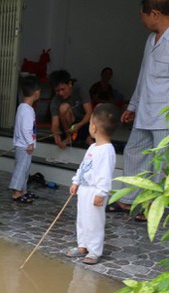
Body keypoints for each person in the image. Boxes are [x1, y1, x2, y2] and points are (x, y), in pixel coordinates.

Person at [108, 0, 169, 221]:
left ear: (154, 14)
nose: (141, 20)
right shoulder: (151, 39)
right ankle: (129, 200)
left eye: (142, 15)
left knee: (161, 163)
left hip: (165, 117)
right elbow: (143, 76)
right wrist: (132, 106)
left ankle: (153, 207)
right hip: (144, 112)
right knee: (134, 151)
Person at [65, 103, 120, 265]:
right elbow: (83, 167)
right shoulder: (93, 147)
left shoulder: (107, 150)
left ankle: (94, 251)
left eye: (89, 124)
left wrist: (101, 193)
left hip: (95, 192)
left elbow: (105, 174)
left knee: (94, 222)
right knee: (82, 219)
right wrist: (76, 181)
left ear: (94, 128)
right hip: (84, 190)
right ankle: (83, 245)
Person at [9, 76, 41, 203]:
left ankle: (23, 190)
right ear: (36, 92)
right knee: (22, 169)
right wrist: (30, 143)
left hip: (21, 145)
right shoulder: (28, 110)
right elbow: (25, 129)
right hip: (24, 146)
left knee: (25, 169)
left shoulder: (21, 107)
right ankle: (17, 192)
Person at [50, 70, 93, 149]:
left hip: (83, 125)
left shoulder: (80, 90)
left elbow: (89, 113)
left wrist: (79, 125)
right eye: (57, 91)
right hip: (69, 129)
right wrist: (56, 134)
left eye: (63, 89)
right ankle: (69, 137)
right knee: (63, 107)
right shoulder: (55, 100)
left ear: (70, 84)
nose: (61, 93)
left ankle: (85, 137)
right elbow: (55, 124)